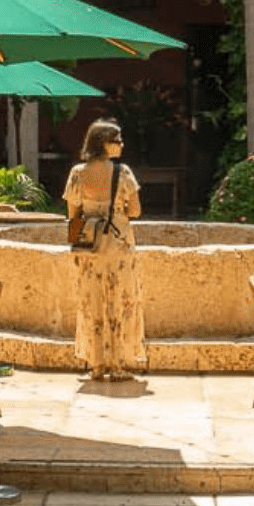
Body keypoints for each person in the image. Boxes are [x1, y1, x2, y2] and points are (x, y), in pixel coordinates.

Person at [63, 119, 144, 381]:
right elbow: (135, 211)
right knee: (121, 300)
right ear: (103, 143)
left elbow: (73, 214)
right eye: (117, 140)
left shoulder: (77, 173)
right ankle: (118, 363)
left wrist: (75, 248)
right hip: (119, 243)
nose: (122, 144)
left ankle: (97, 364)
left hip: (90, 245)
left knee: (91, 302)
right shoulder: (123, 172)